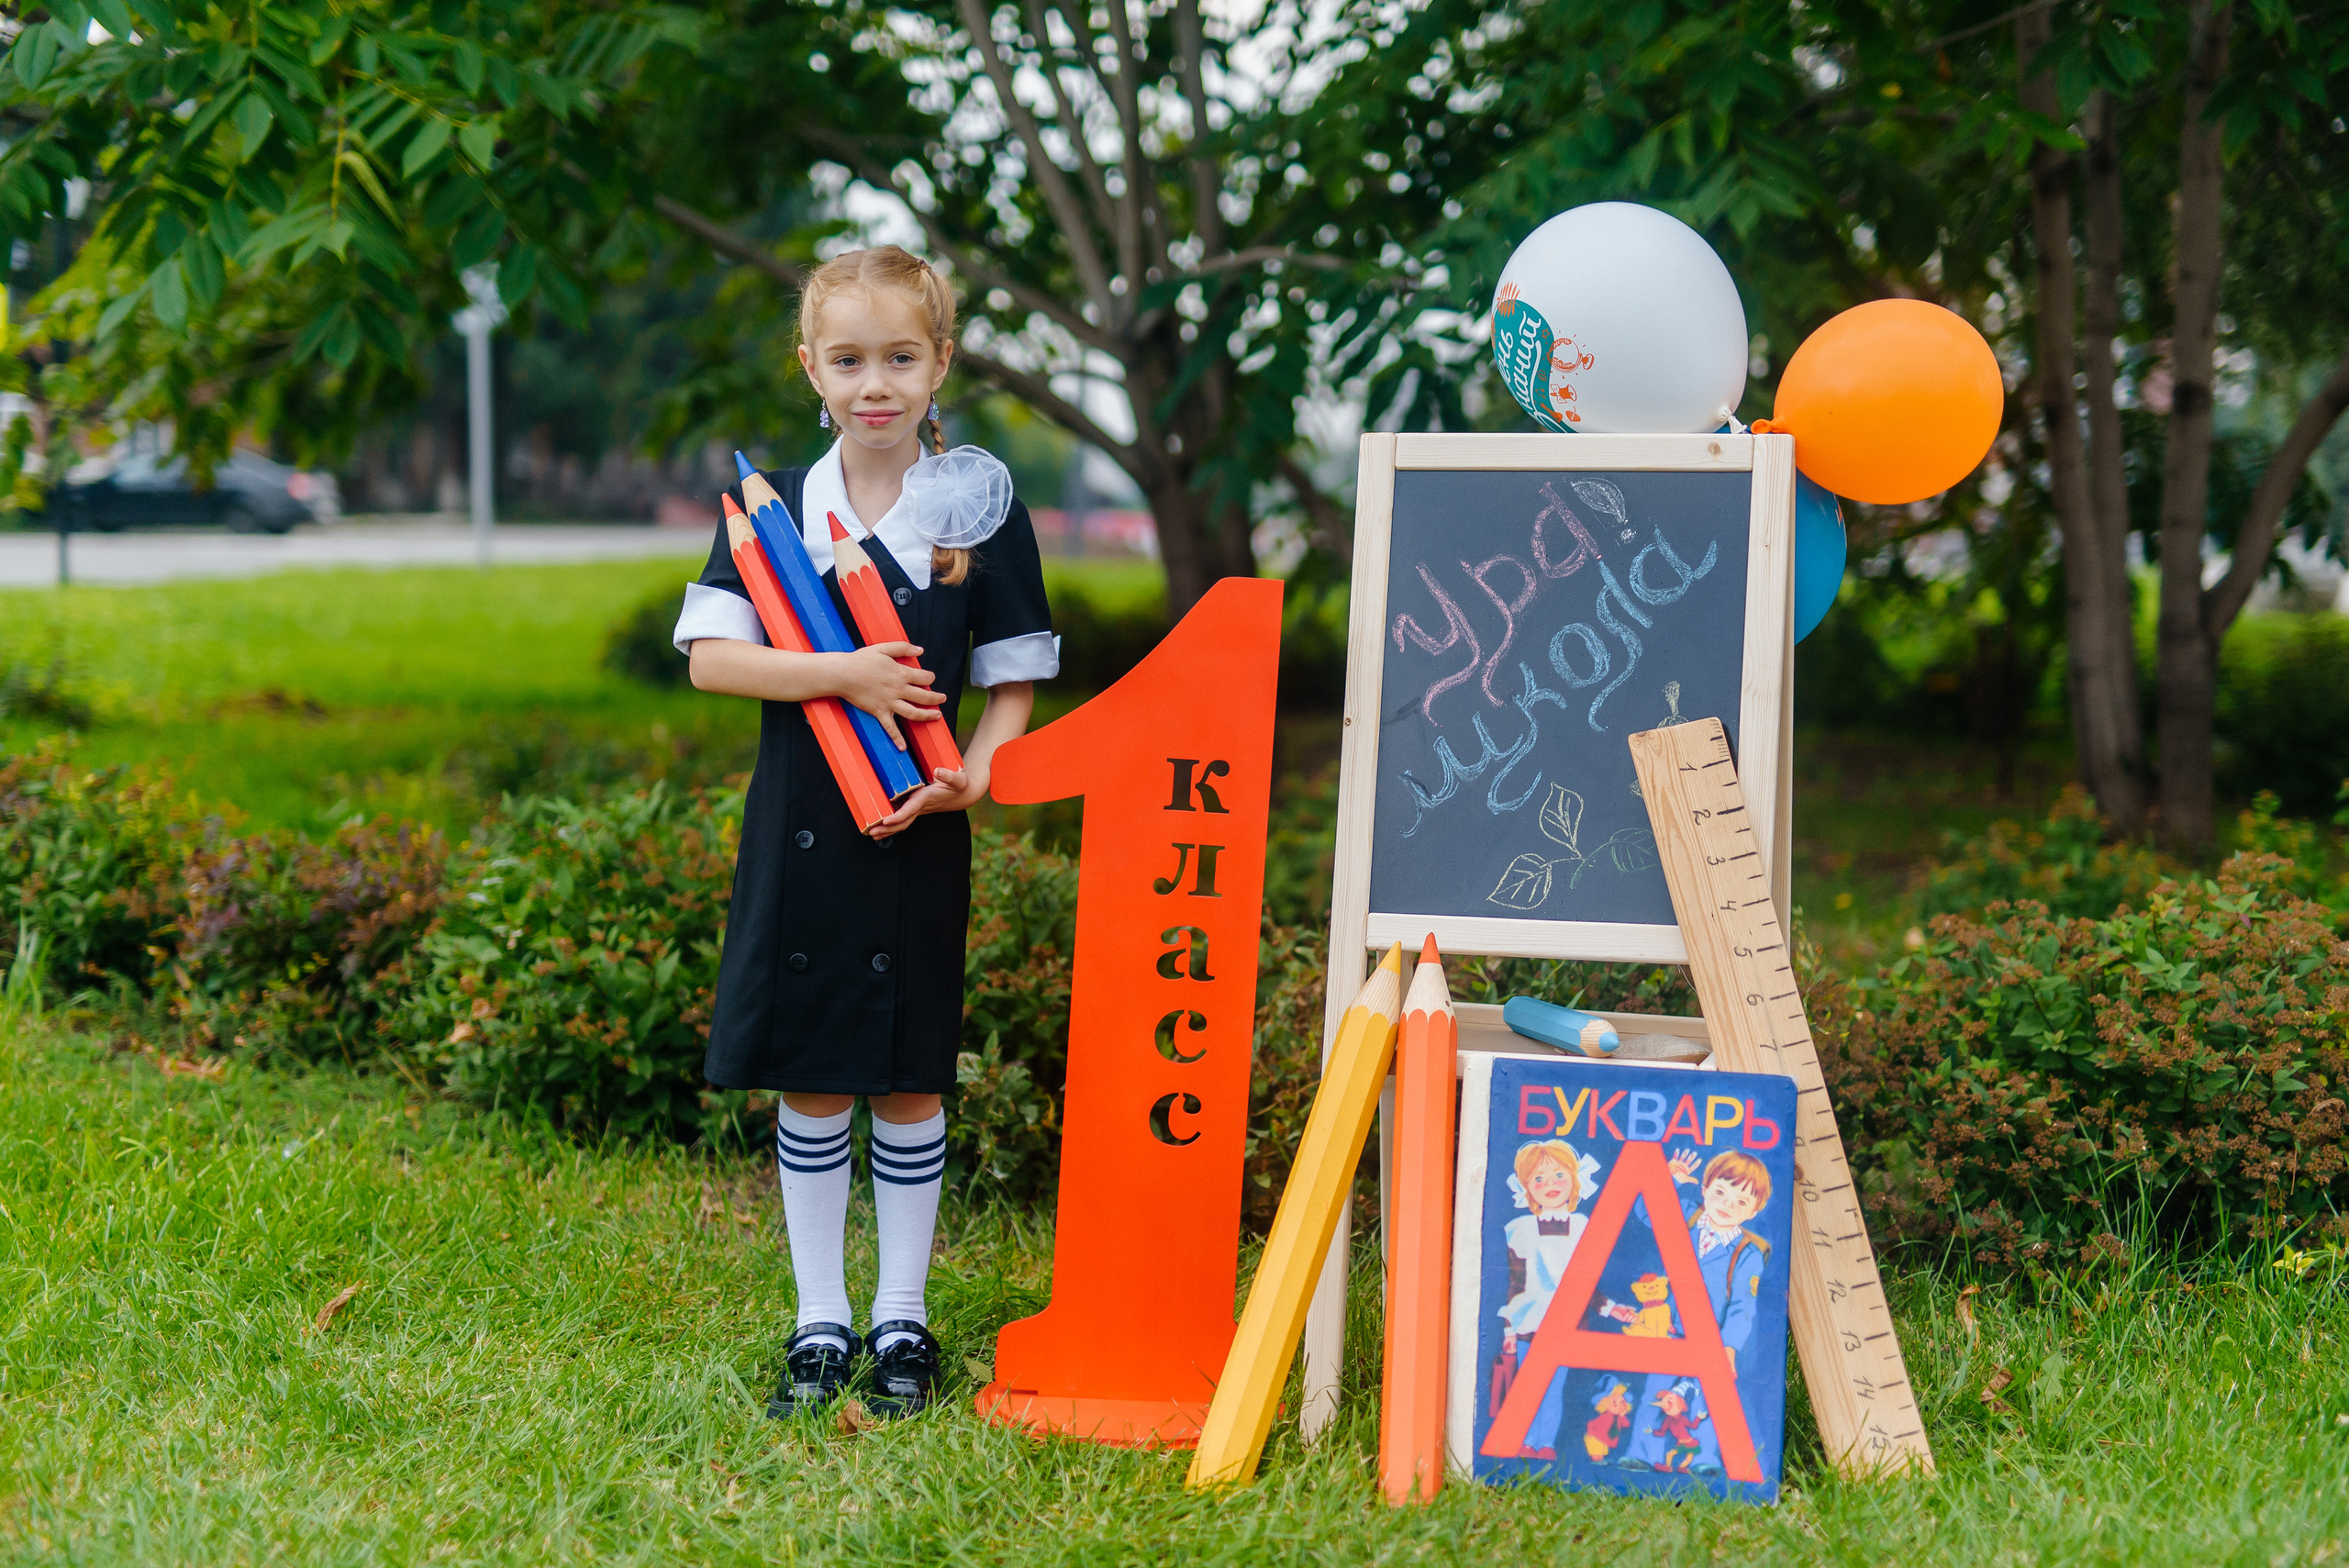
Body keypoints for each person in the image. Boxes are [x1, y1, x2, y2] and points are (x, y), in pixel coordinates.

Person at [672, 245, 1056, 1421]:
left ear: (940, 363)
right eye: (849, 360)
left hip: (918, 832)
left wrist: (975, 782)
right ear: (811, 369)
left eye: (900, 356)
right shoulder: (771, 510)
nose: (874, 383)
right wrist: (840, 671)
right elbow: (710, 660)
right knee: (813, 1080)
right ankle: (818, 1318)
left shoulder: (977, 512)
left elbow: (1012, 681)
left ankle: (901, 1313)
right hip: (799, 831)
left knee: (903, 1079)